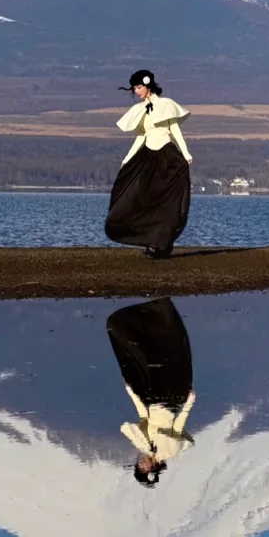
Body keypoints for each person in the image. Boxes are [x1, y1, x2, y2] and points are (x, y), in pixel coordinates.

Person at [106, 298, 196, 488]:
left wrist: (131, 391)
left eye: (140, 466)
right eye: (143, 468)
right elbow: (177, 429)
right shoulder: (170, 451)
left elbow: (143, 415)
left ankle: (145, 318)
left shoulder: (145, 444)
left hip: (151, 398)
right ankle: (161, 314)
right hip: (169, 400)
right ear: (152, 470)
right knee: (163, 356)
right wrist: (188, 405)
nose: (141, 463)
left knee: (142, 357)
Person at [104, 70, 192, 259]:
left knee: (166, 201)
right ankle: (150, 239)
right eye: (134, 88)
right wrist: (127, 159)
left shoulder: (166, 105)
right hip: (148, 158)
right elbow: (141, 137)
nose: (136, 91)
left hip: (167, 157)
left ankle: (162, 243)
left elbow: (174, 130)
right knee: (143, 198)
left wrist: (185, 153)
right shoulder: (140, 110)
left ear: (148, 85)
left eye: (138, 87)